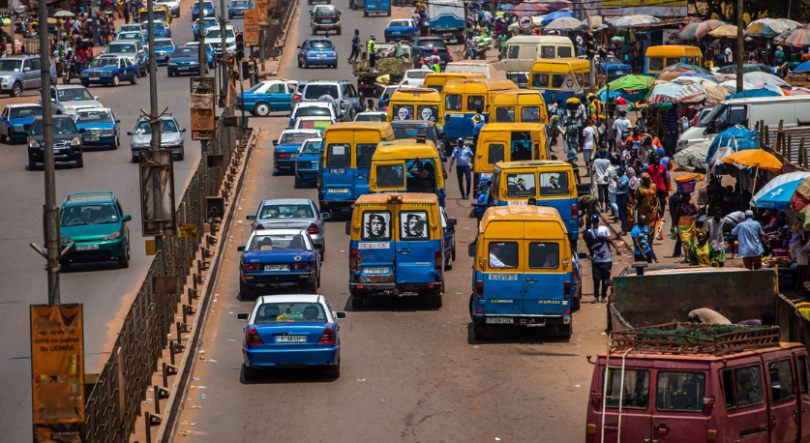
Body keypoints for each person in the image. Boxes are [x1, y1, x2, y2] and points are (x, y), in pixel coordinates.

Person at [585, 215, 620, 303]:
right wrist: (590, 257)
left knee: (605, 279)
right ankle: (596, 297)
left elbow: (610, 241)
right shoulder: (589, 244)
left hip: (607, 261)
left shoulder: (600, 237)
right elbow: (592, 253)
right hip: (597, 262)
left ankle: (603, 296)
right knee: (596, 279)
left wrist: (617, 249)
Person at [592, 145, 611, 211]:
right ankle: (607, 206)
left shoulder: (596, 161)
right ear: (605, 154)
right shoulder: (608, 161)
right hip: (606, 180)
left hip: (599, 180)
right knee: (606, 193)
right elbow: (609, 170)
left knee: (600, 194)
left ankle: (602, 206)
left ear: (600, 154)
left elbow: (593, 171)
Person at [614, 166, 629, 235]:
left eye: (618, 171)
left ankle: (624, 230)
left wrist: (617, 180)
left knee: (622, 214)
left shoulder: (624, 178)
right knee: (621, 214)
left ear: (621, 171)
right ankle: (623, 228)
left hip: (623, 197)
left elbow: (621, 187)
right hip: (620, 196)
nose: (617, 172)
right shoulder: (621, 178)